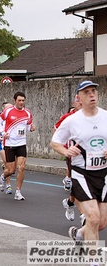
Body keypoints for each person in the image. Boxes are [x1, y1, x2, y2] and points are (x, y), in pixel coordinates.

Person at [51, 80, 107, 246]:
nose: (91, 95)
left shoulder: (105, 116)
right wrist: (66, 151)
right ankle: (94, 260)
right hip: (82, 173)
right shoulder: (72, 120)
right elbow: (55, 142)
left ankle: (79, 233)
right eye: (87, 92)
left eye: (93, 91)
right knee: (93, 218)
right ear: (79, 98)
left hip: (103, 174)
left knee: (101, 223)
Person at [0, 91, 35, 201]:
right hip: (9, 143)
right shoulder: (8, 111)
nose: (21, 102)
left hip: (21, 143)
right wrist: (2, 132)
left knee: (22, 167)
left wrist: (31, 128)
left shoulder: (27, 113)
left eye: (23, 100)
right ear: (15, 101)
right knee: (11, 170)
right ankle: (3, 177)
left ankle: (18, 191)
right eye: (19, 100)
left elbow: (28, 126)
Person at [0, 103, 13, 194]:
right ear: (3, 109)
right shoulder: (0, 119)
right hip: (2, 144)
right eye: (8, 108)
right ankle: (8, 185)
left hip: (13, 144)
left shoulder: (14, 118)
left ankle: (3, 177)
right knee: (8, 164)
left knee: (13, 168)